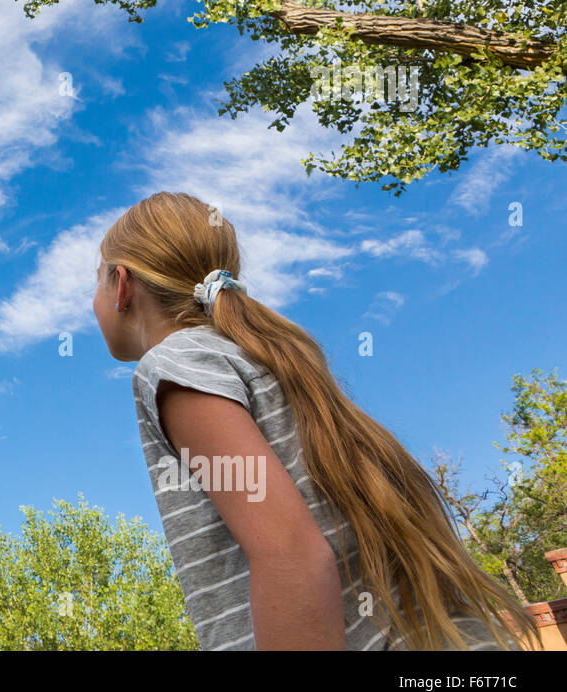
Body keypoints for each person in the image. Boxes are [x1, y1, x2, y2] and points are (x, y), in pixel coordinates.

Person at [92, 191, 538, 650]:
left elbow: (293, 555)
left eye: (96, 282)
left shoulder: (176, 364)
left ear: (122, 285)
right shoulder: (270, 357)